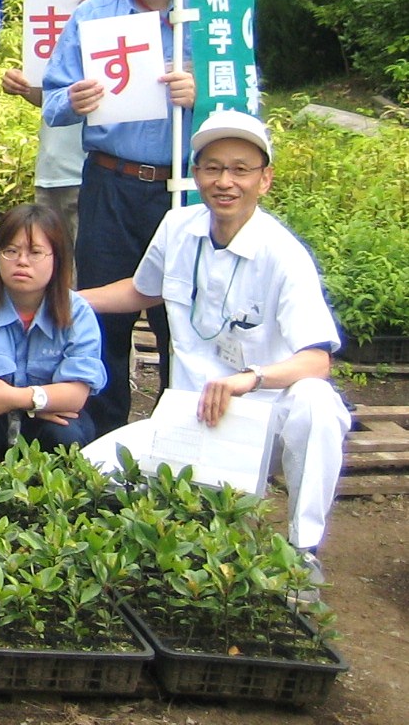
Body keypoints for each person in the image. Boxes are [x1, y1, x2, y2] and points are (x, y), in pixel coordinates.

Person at [82, 110, 349, 557]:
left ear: (264, 180)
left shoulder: (283, 255)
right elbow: (139, 291)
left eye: (241, 170)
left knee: (317, 404)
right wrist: (65, 299)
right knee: (93, 471)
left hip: (265, 419)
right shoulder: (177, 228)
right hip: (195, 414)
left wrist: (251, 378)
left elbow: (317, 360)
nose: (226, 181)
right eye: (213, 167)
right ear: (196, 174)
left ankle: (304, 550)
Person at [41, 0, 197, 434]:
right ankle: (102, 443)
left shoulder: (202, 16)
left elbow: (240, 103)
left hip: (180, 187)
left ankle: (180, 443)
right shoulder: (96, 15)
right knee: (103, 317)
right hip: (108, 182)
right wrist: (72, 99)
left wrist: (197, 97)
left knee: (180, 318)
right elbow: (53, 99)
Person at [0, 203, 107, 453]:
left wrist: (18, 400)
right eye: (11, 251)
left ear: (57, 259)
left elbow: (76, 394)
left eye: (35, 252)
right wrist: (37, 401)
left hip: (43, 415)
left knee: (64, 433)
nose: (22, 261)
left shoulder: (77, 312)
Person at [0, 0, 115, 247]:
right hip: (54, 166)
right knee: (53, 277)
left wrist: (103, 22)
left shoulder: (127, 7)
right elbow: (51, 97)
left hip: (99, 168)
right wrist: (26, 87)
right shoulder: (49, 10)